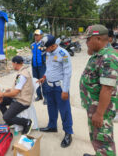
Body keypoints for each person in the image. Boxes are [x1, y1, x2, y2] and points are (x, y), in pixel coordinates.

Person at [80, 24, 117, 156]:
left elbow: (107, 89)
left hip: (101, 110)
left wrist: (99, 114)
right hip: (95, 107)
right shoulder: (99, 55)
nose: (86, 43)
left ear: (99, 39)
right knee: (97, 139)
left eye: (89, 39)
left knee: (104, 143)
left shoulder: (108, 58)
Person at [37, 34, 73, 148]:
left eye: (46, 48)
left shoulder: (64, 54)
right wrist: (44, 77)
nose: (45, 50)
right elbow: (49, 68)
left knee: (64, 110)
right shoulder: (48, 53)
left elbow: (67, 73)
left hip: (60, 88)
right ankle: (52, 126)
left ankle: (68, 133)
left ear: (52, 46)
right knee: (51, 107)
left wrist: (65, 90)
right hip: (49, 86)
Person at [0, 56, 34, 135]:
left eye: (12, 63)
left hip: (22, 100)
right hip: (18, 96)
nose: (12, 65)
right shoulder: (22, 72)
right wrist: (9, 90)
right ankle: (10, 121)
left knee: (6, 117)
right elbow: (18, 87)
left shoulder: (22, 75)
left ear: (15, 63)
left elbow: (15, 93)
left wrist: (2, 94)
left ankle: (26, 122)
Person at [30, 29, 49, 104]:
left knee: (43, 81)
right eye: (35, 35)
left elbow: (47, 54)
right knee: (36, 81)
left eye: (37, 35)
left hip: (42, 65)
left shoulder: (44, 45)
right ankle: (39, 95)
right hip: (34, 66)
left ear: (41, 36)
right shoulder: (32, 45)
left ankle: (46, 98)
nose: (36, 36)